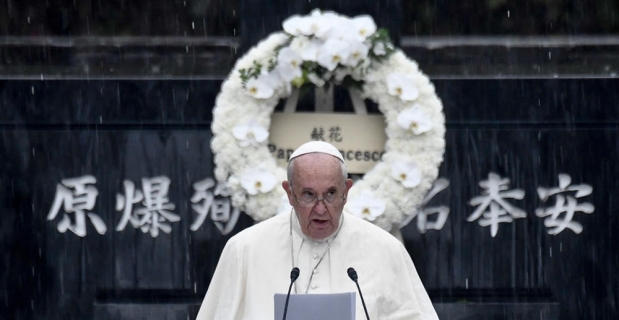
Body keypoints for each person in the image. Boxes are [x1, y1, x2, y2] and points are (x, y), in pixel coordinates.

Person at [196, 141, 438, 320]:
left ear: (347, 190)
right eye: (308, 195)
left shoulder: (385, 249)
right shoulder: (245, 249)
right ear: (289, 193)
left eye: (331, 194)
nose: (321, 209)